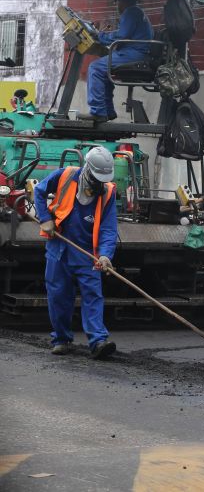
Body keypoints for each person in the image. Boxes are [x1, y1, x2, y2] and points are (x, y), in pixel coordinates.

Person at [33, 147, 118, 359]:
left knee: (92, 295)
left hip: (87, 253)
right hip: (58, 248)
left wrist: (106, 255)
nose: (99, 183)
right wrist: (44, 218)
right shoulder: (65, 174)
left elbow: (108, 227)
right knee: (59, 295)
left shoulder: (107, 191)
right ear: (87, 169)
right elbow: (39, 190)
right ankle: (61, 339)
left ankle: (98, 341)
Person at [78, 0, 153, 123]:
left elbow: (120, 36)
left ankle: (99, 112)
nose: (117, 6)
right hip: (137, 52)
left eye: (118, 3)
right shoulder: (138, 13)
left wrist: (99, 36)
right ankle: (108, 111)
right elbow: (124, 33)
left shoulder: (130, 12)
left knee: (95, 68)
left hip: (134, 54)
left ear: (121, 2)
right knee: (104, 70)